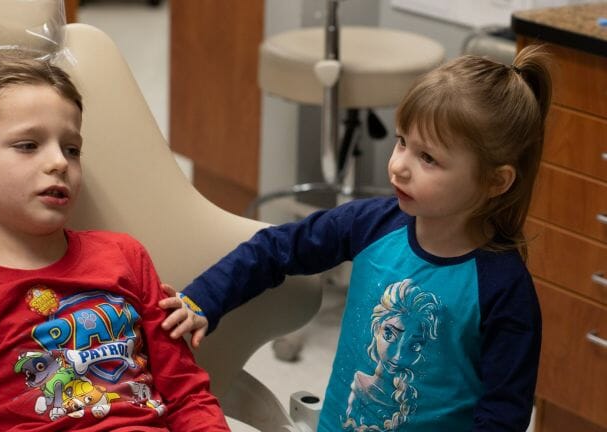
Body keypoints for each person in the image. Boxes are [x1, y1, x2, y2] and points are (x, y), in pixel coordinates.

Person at [160, 44, 552, 431]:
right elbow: (275, 249)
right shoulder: (372, 224)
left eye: (427, 158)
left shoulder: (503, 290)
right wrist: (204, 299)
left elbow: (504, 415)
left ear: (495, 180)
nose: (398, 166)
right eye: (401, 142)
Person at [0, 50, 230, 432]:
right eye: (27, 145)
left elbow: (187, 394)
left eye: (72, 149)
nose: (60, 162)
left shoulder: (124, 257)